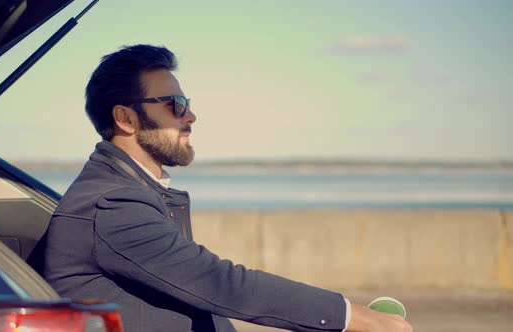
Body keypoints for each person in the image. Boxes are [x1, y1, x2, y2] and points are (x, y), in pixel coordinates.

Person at [41, 44, 412, 332]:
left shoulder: (133, 190)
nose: (190, 116)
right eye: (175, 105)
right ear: (125, 118)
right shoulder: (113, 204)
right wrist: (354, 317)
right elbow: (219, 283)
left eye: (187, 104)